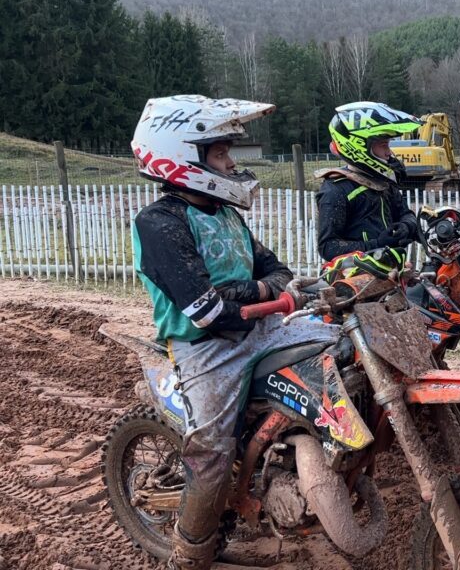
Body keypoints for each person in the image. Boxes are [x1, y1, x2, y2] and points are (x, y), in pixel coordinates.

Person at [130, 95, 340, 569]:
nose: (230, 163)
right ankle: (188, 555)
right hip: (207, 350)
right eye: (220, 153)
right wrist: (261, 291)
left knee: (340, 347)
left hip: (262, 328)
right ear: (182, 156)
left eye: (227, 152)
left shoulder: (226, 214)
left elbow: (279, 272)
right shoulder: (159, 223)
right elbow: (207, 310)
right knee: (210, 456)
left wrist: (257, 291)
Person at [316, 101, 422, 262]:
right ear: (359, 146)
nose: (389, 153)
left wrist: (406, 226)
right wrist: (376, 244)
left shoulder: (383, 183)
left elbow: (405, 214)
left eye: (389, 145)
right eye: (383, 145)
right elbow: (328, 247)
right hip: (354, 279)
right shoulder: (336, 190)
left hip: (391, 273)